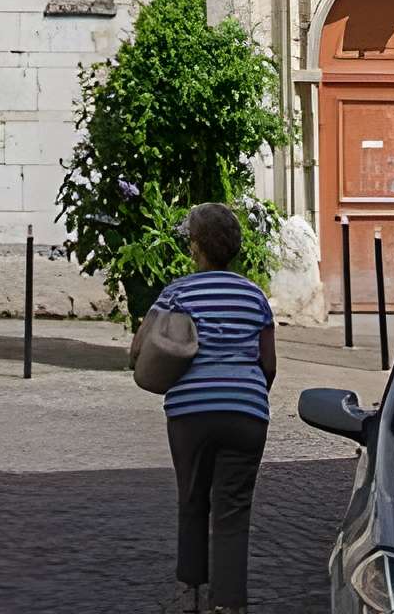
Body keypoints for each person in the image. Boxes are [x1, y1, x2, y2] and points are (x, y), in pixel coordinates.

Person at [144, 201, 276, 614]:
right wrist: (248, 394)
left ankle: (190, 594)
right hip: (247, 413)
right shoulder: (255, 296)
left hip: (190, 413)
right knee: (233, 509)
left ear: (196, 247)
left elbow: (140, 348)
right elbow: (268, 363)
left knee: (192, 497)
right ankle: (230, 604)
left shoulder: (177, 293)